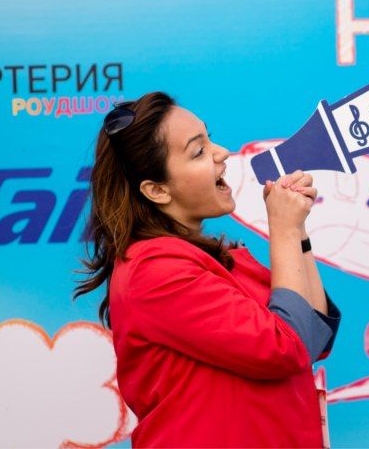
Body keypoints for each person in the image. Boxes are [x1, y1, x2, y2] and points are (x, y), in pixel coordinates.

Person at [73, 91, 342, 447]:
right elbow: (284, 347)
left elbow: (313, 336)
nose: (222, 153)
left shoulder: (221, 261)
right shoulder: (154, 272)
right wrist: (284, 228)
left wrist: (297, 231)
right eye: (198, 151)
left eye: (210, 139)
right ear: (157, 190)